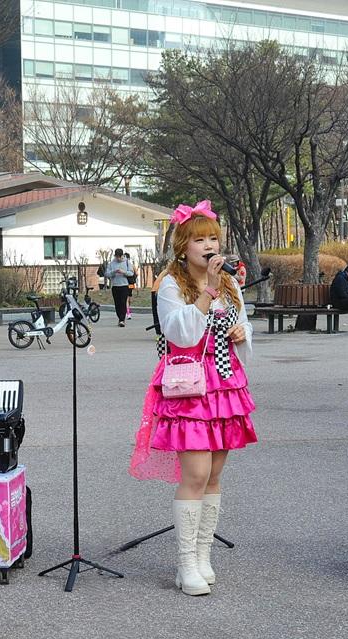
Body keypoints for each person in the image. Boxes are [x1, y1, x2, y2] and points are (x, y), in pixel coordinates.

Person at [129, 200, 257, 597]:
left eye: (213, 238)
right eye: (199, 238)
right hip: (188, 389)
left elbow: (242, 322)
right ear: (183, 246)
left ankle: (203, 557)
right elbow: (179, 334)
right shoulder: (171, 283)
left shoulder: (230, 283)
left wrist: (241, 332)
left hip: (224, 385)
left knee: (215, 475)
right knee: (196, 474)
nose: (208, 245)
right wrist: (207, 294)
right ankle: (185, 564)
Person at [104, 247, 135, 326]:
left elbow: (131, 273)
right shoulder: (112, 263)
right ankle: (119, 317)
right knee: (117, 303)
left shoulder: (127, 262)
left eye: (119, 257)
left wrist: (123, 272)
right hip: (115, 286)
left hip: (124, 285)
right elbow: (107, 274)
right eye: (116, 257)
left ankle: (122, 319)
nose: (118, 258)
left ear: (122, 256)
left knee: (123, 302)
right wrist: (114, 272)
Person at [124, 251, 135, 320]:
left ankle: (128, 311)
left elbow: (134, 273)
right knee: (127, 298)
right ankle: (128, 313)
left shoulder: (128, 265)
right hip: (128, 283)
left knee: (128, 299)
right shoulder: (129, 265)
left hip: (129, 283)